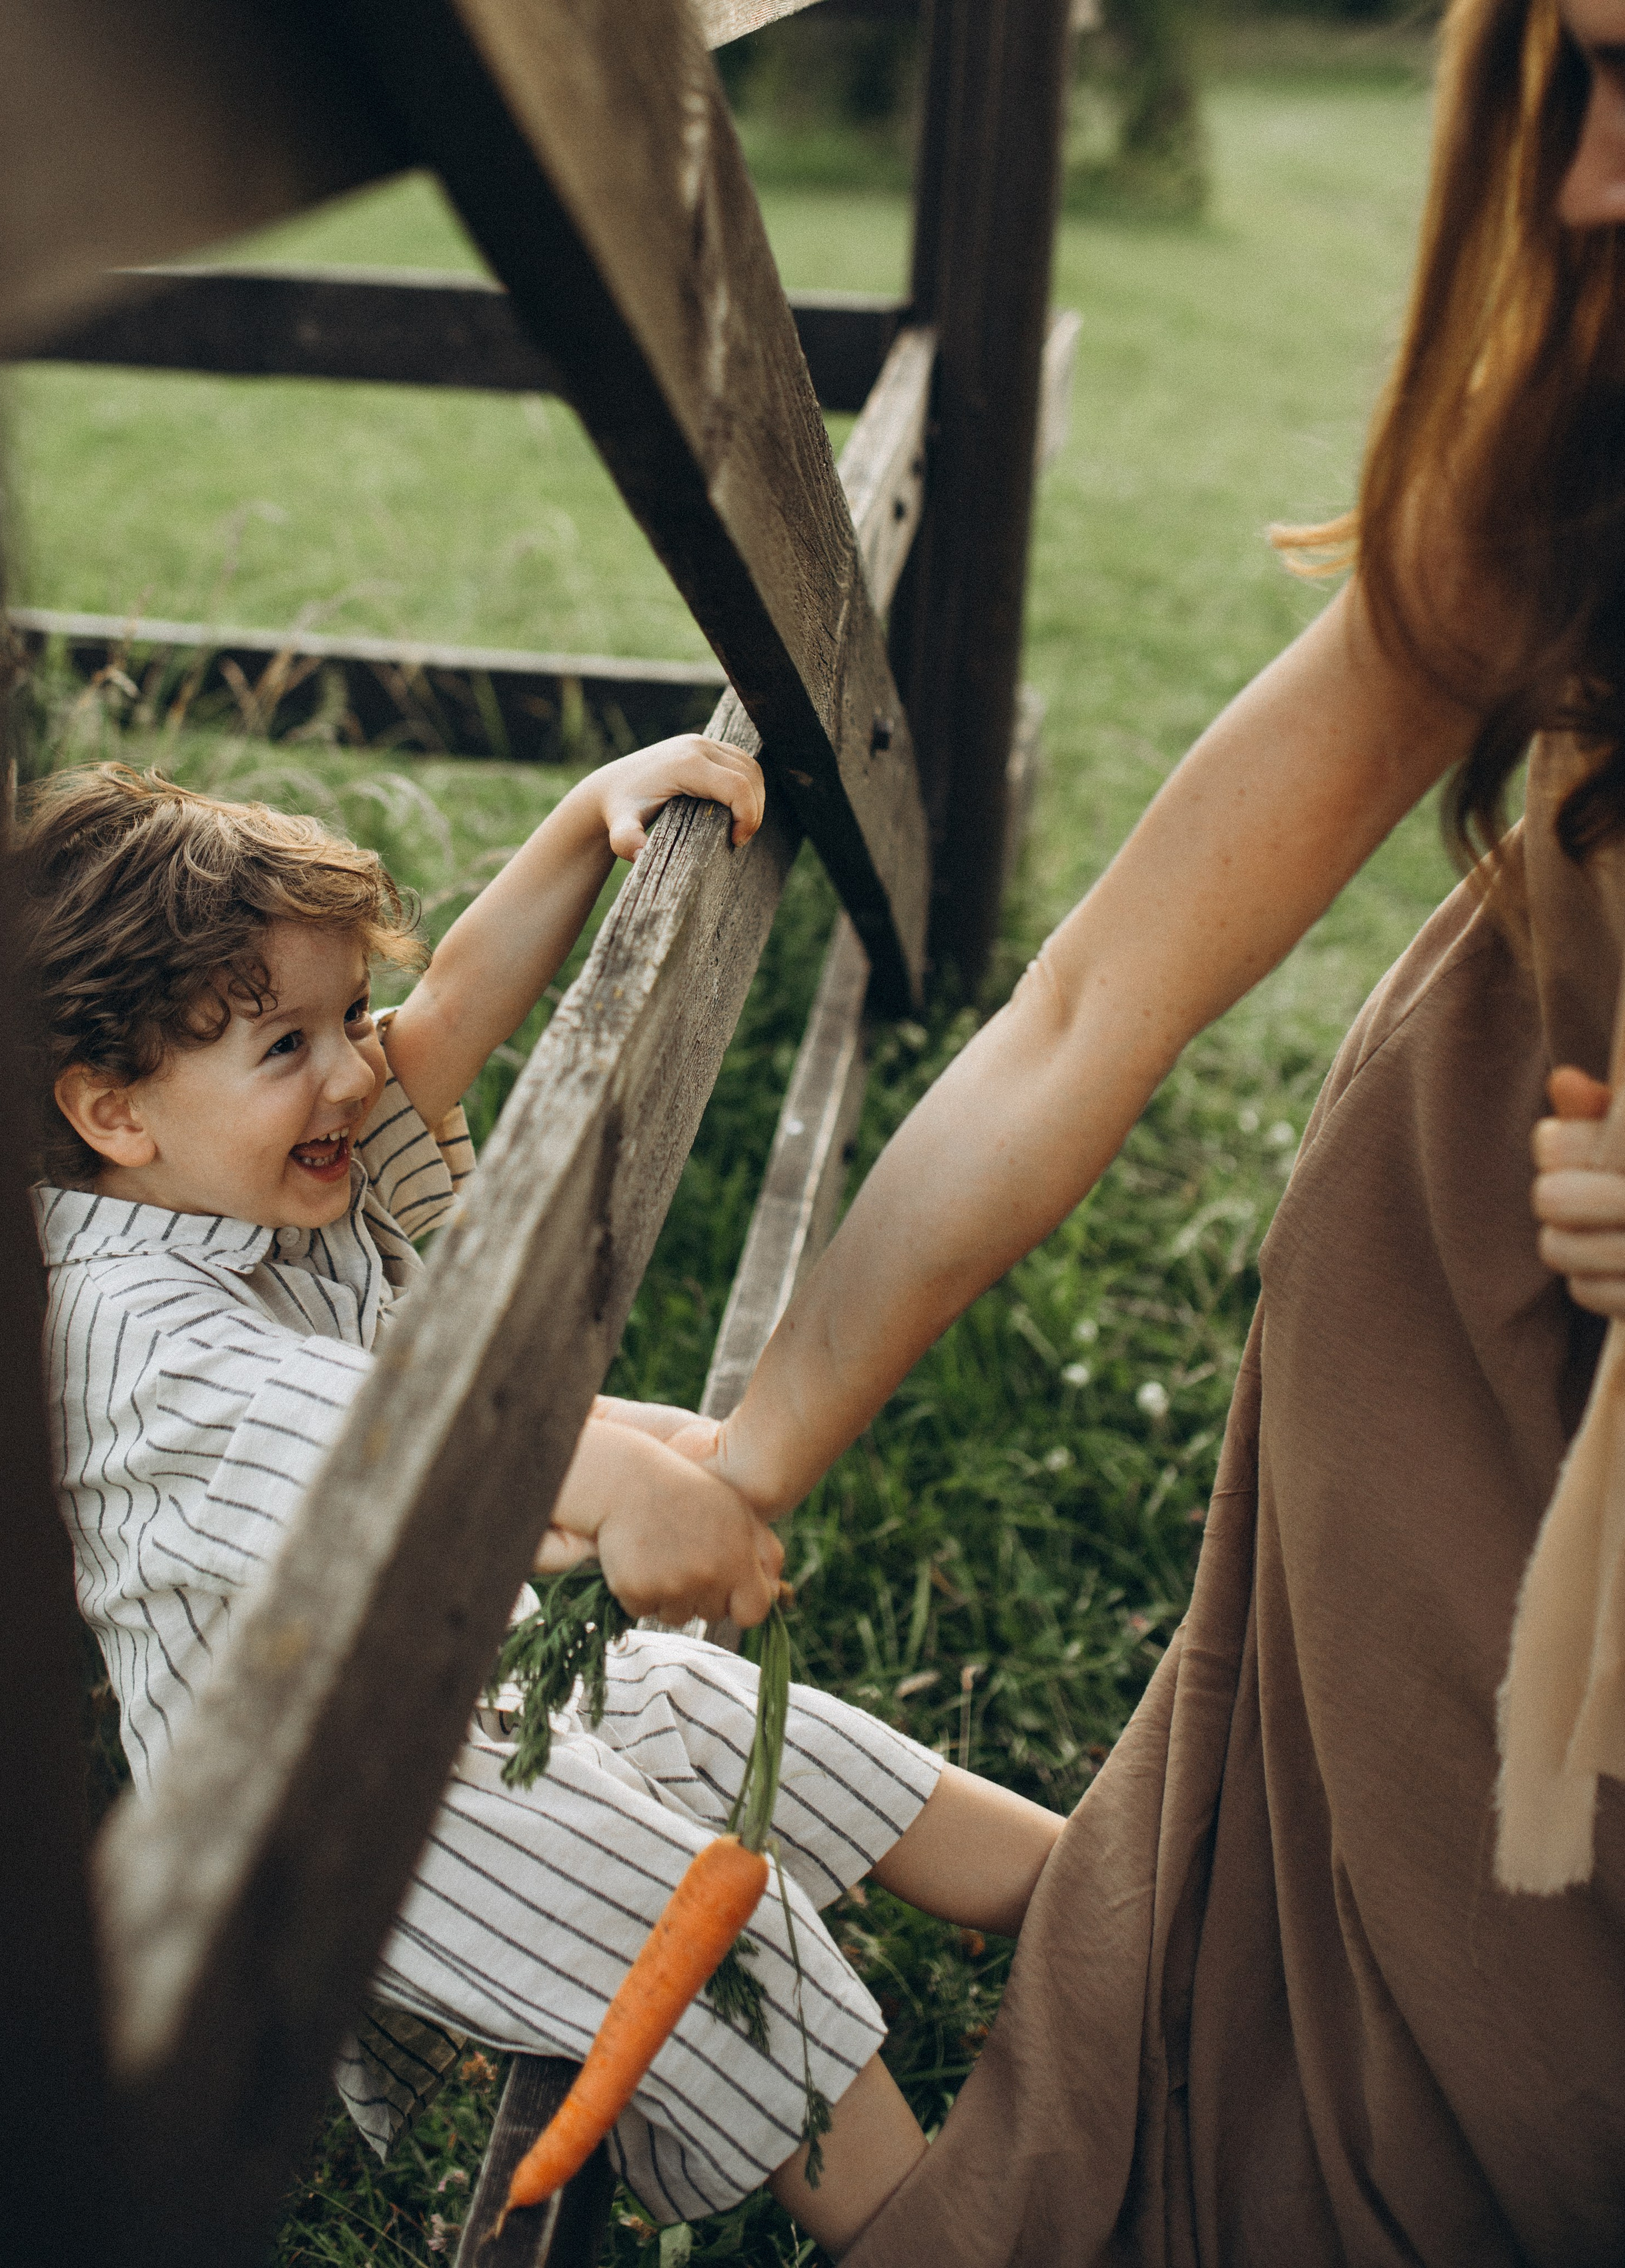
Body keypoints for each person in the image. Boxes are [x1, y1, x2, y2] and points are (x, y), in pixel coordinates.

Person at [612, 0, 1625, 2255]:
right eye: (1572, 88)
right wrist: (754, 1451)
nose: (1582, 189)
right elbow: (1092, 998)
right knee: (1403, 2082)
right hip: (1468, 1410)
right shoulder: (1569, 469)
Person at [19, 753, 1060, 2253]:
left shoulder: (231, 1163)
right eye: (287, 1043)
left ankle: (1143, 1916)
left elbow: (435, 1024)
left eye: (334, 1019)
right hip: (337, 1808)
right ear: (112, 1111)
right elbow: (423, 1436)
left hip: (462, 1672)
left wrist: (587, 821)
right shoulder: (128, 1336)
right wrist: (617, 1470)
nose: (349, 1070)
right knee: (710, 1943)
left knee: (767, 1736)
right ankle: (963, 2236)